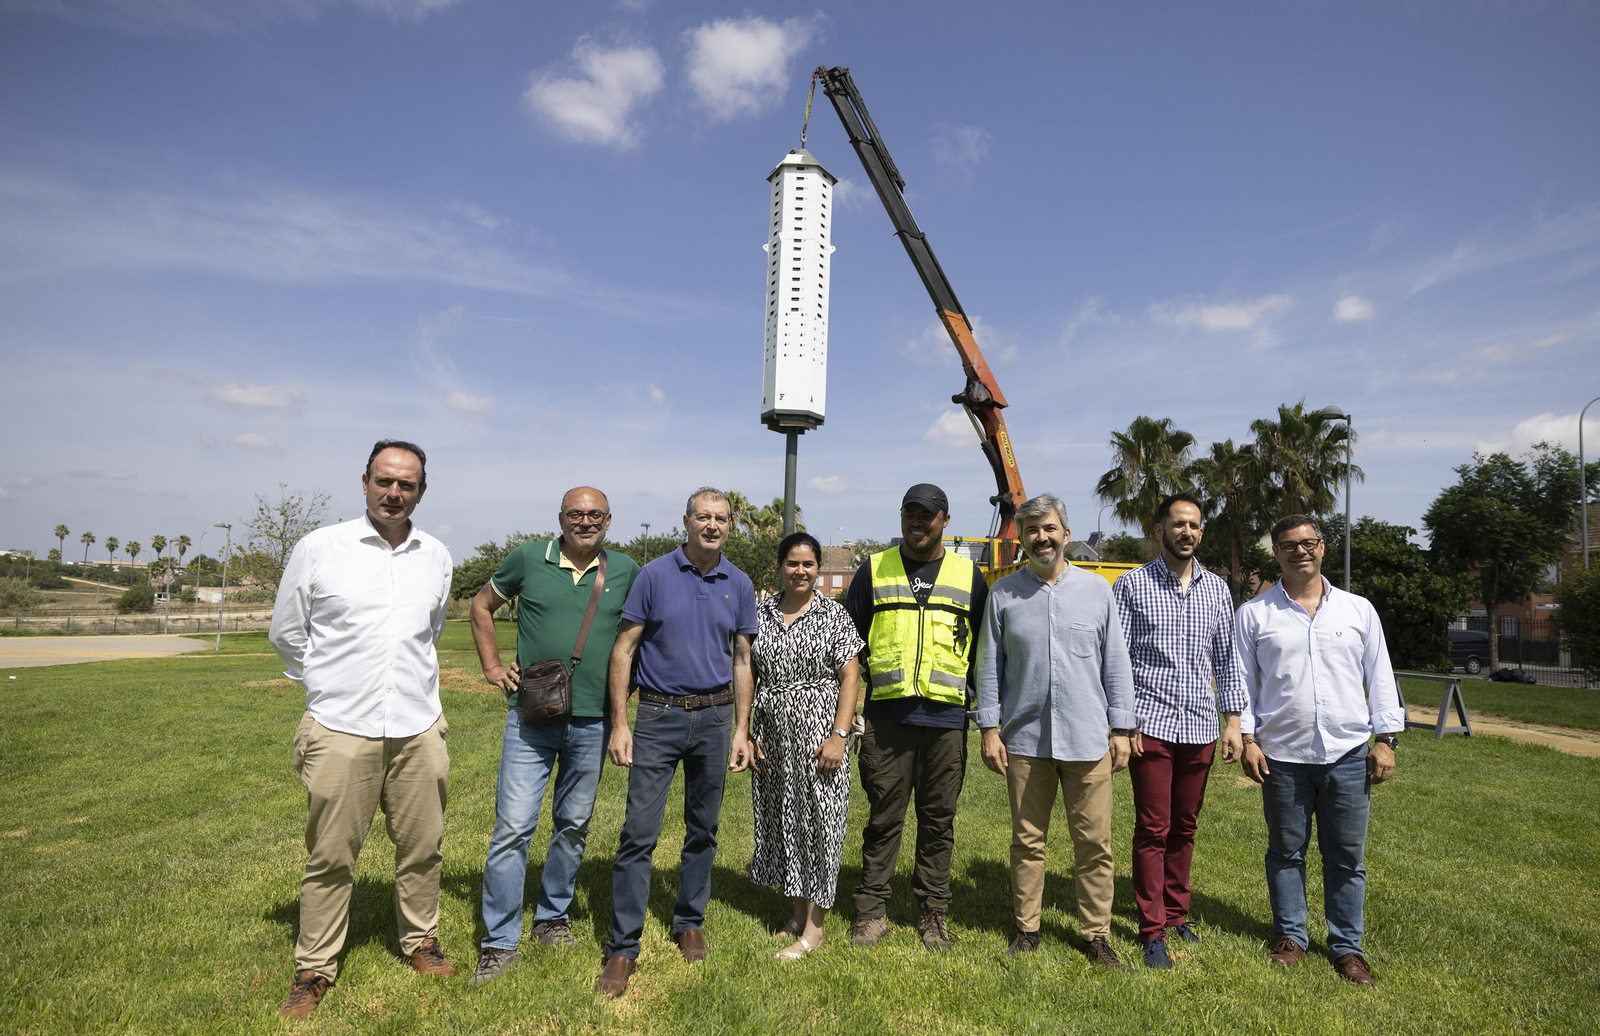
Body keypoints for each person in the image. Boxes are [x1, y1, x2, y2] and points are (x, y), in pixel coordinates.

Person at [268, 440, 455, 1020]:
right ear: (366, 482)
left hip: (418, 726)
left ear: (422, 490)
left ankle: (420, 939)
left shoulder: (437, 556)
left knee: (423, 848)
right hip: (340, 727)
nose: (394, 493)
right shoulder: (320, 548)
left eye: (407, 484)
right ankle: (315, 966)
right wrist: (325, 690)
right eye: (384, 481)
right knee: (330, 856)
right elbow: (286, 634)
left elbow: (428, 633)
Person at [466, 487, 640, 986]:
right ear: (560, 517)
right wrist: (493, 665)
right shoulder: (527, 558)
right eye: (575, 514)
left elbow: (641, 635)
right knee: (513, 828)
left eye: (595, 515)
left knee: (573, 824)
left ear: (608, 520)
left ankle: (551, 918)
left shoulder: (625, 570)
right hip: (531, 718)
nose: (585, 521)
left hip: (592, 721)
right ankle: (499, 943)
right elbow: (482, 608)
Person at [594, 488, 759, 998]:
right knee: (638, 833)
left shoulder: (740, 582)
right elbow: (624, 649)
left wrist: (740, 729)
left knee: (703, 830)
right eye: (703, 517)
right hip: (659, 716)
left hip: (714, 717)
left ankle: (689, 919)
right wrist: (621, 723)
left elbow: (742, 660)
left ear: (729, 526)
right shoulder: (655, 575)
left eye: (721, 519)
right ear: (686, 521)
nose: (712, 525)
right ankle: (623, 947)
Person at [1235, 514, 1403, 987]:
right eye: (1288, 544)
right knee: (1286, 852)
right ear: (1277, 553)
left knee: (1347, 857)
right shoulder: (1254, 614)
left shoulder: (1357, 610)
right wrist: (1248, 739)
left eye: (1308, 542)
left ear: (1323, 547)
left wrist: (1386, 740)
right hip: (1282, 757)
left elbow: (1381, 676)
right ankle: (1292, 936)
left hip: (1348, 754)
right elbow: (1243, 684)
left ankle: (1347, 947)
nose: (1299, 551)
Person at [975, 493, 1137, 967]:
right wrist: (989, 726)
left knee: (1094, 844)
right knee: (1027, 840)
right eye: (1031, 531)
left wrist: (1122, 728)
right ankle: (1028, 928)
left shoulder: (1098, 591)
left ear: (1066, 534)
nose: (1041, 538)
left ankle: (1095, 934)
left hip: (1089, 739)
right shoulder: (1004, 594)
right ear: (1021, 538)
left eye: (1049, 529)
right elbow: (988, 667)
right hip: (1025, 740)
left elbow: (1116, 664)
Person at [844, 483, 988, 952]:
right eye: (910, 513)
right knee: (883, 817)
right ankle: (870, 912)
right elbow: (847, 642)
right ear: (901, 516)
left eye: (927, 515)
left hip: (946, 720)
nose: (917, 522)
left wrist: (987, 718)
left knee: (938, 821)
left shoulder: (970, 576)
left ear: (944, 520)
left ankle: (933, 914)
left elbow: (984, 652)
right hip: (887, 718)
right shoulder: (874, 570)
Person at [1113, 493, 1246, 969]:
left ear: (1201, 532)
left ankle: (1175, 914)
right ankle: (1151, 931)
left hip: (1200, 728)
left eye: (1194, 525)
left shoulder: (1216, 589)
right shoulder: (1132, 586)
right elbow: (1117, 662)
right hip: (1150, 726)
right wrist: (1123, 724)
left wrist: (1233, 723)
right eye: (1178, 524)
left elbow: (1228, 661)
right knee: (1154, 827)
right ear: (1159, 530)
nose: (1187, 532)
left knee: (1184, 827)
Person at [748, 531, 864, 960]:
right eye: (793, 563)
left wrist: (839, 734)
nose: (800, 571)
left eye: (808, 564)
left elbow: (851, 676)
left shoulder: (834, 615)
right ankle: (797, 913)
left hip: (819, 735)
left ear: (819, 568)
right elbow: (749, 671)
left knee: (821, 826)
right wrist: (749, 733)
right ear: (780, 566)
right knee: (786, 822)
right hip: (774, 735)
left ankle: (815, 931)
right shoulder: (760, 613)